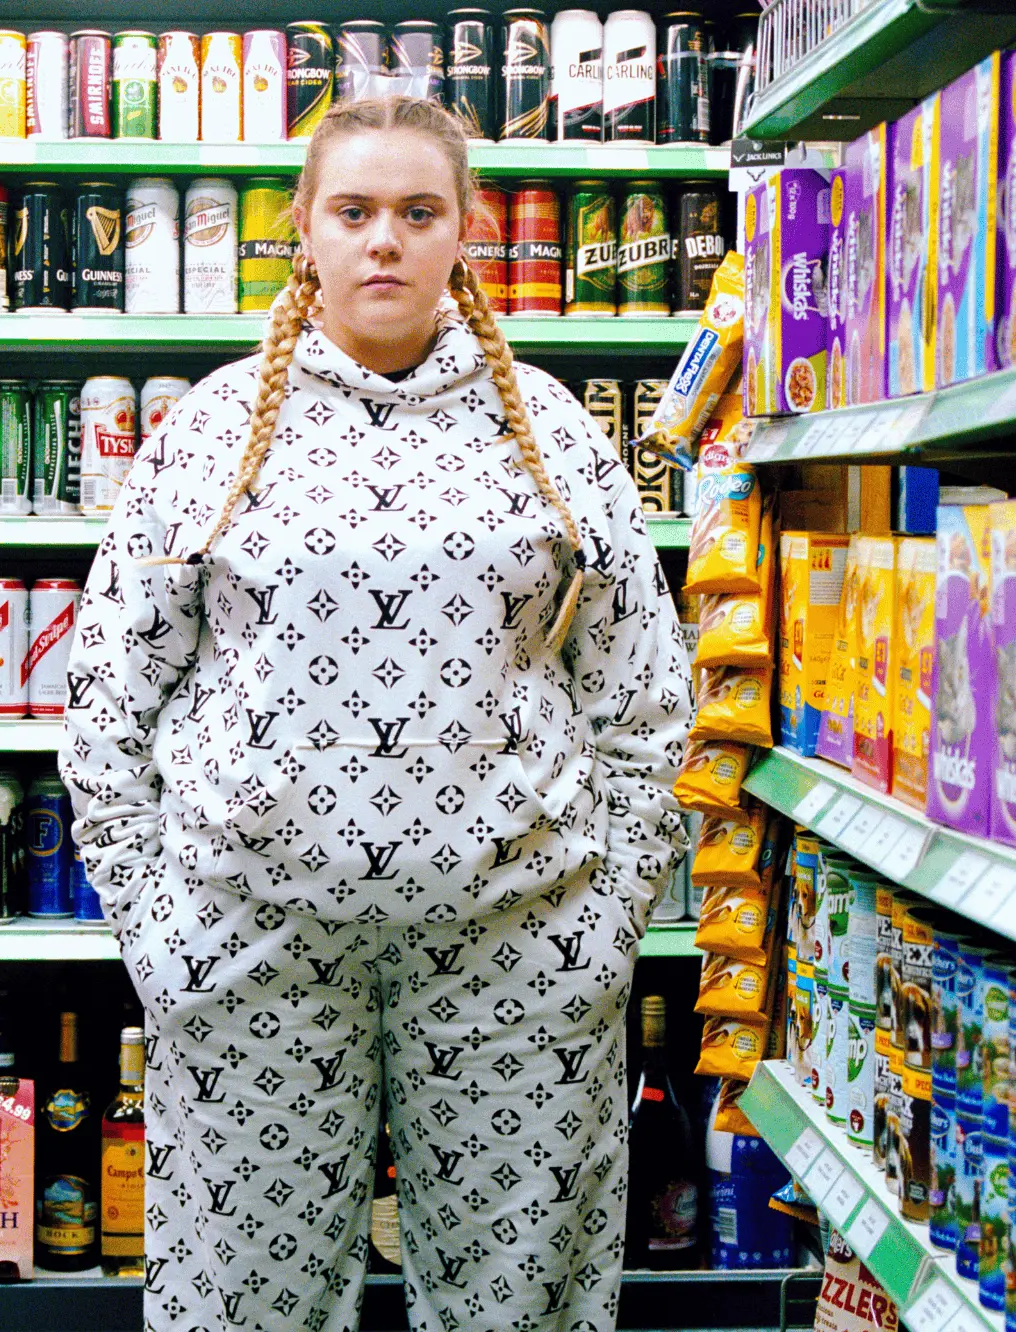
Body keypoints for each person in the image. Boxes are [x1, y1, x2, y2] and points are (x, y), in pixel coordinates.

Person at [61, 94, 692, 1332]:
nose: (384, 242)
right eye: (353, 212)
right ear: (306, 228)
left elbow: (646, 702)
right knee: (241, 1308)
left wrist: (606, 922)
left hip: (520, 959)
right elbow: (108, 698)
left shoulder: (556, 439)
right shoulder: (206, 434)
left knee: (525, 1311)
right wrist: (159, 926)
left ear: (465, 232)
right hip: (250, 955)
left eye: (418, 212)